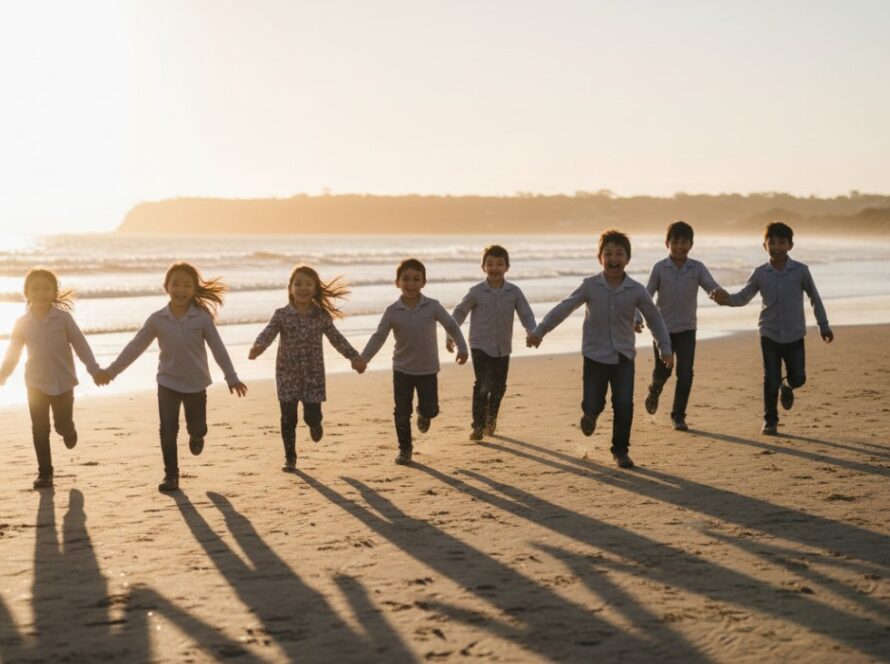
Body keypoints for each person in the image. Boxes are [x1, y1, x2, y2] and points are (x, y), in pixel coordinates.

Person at [527, 229, 673, 469]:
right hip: (595, 356)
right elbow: (565, 308)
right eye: (608, 254)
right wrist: (540, 331)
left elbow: (655, 319)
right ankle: (590, 414)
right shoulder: (590, 286)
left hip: (624, 356)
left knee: (624, 404)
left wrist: (665, 347)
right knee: (594, 402)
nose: (613, 258)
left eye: (619, 254)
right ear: (600, 258)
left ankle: (620, 451)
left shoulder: (636, 290)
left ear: (627, 259)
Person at [97, 263, 247, 492]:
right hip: (167, 382)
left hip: (196, 384)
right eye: (175, 284)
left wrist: (232, 377)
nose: (180, 289)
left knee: (197, 428)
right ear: (166, 287)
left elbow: (218, 349)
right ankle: (171, 476)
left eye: (187, 285)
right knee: (167, 429)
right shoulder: (157, 319)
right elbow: (135, 347)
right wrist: (112, 371)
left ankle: (197, 437)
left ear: (195, 290)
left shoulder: (202, 318)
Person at [712, 222, 833, 435]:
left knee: (799, 377)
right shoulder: (760, 273)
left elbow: (815, 297)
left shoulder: (801, 271)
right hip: (769, 333)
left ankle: (787, 387)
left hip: (795, 333)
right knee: (771, 378)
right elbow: (743, 297)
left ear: (790, 245)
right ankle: (770, 420)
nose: (776, 246)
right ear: (764, 245)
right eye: (772, 242)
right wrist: (725, 300)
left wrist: (823, 325)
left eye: (782, 242)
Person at [249, 265, 365, 472]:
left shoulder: (320, 316)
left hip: (313, 374)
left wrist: (354, 356)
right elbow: (268, 332)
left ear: (315, 289)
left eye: (308, 284)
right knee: (288, 417)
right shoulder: (281, 315)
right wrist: (259, 346)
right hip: (287, 374)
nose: (303, 288)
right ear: (290, 288)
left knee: (312, 415)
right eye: (298, 284)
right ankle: (290, 457)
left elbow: (336, 339)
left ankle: (315, 424)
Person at [359, 258, 468, 465]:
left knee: (431, 410)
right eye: (406, 279)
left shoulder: (433, 306)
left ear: (424, 282)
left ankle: (424, 414)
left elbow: (452, 326)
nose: (411, 284)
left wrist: (462, 347)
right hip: (402, 369)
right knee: (401, 412)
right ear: (397, 282)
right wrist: (364, 358)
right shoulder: (392, 311)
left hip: (427, 369)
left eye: (416, 279)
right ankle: (405, 449)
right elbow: (378, 337)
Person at [0, 268, 102, 489]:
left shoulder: (63, 319)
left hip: (63, 383)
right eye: (35, 288)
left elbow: (80, 345)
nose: (40, 292)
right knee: (39, 428)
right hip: (35, 384)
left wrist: (94, 369)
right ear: (26, 292)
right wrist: (4, 374)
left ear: (54, 292)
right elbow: (13, 353)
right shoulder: (22, 322)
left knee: (61, 425)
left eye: (46, 288)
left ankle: (69, 430)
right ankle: (45, 473)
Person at [635, 221, 723, 431]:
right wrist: (637, 316)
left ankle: (678, 416)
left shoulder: (697, 267)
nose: (680, 246)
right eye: (675, 242)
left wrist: (716, 293)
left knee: (685, 373)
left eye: (684, 242)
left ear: (691, 244)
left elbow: (711, 286)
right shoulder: (659, 268)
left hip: (687, 329)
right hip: (661, 330)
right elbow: (646, 295)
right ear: (667, 243)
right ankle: (654, 390)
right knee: (663, 371)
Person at [446, 244, 536, 440]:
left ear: (507, 267)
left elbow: (526, 314)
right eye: (490, 264)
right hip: (480, 345)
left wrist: (532, 331)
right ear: (483, 267)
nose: (495, 268)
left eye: (499, 264)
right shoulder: (476, 291)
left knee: (499, 387)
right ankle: (477, 425)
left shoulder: (514, 292)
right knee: (483, 384)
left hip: (503, 347)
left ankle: (490, 418)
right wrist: (451, 334)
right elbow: (460, 312)